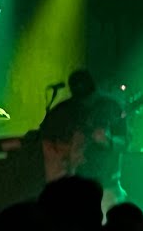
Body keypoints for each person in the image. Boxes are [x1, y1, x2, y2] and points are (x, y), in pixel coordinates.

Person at [40, 70, 131, 209]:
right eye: (80, 99)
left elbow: (125, 143)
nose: (85, 103)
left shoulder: (112, 106)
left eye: (89, 98)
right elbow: (45, 140)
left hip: (106, 185)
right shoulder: (62, 110)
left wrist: (108, 140)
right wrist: (65, 154)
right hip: (70, 185)